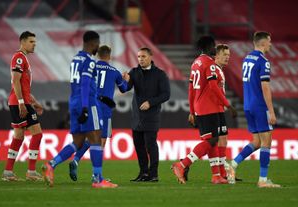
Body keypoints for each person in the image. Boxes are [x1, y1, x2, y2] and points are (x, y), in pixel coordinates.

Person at [42, 31, 117, 188]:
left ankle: (51, 164)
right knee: (96, 138)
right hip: (87, 103)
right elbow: (84, 84)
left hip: (74, 101)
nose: (97, 47)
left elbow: (80, 83)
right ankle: (98, 179)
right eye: (97, 44)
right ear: (92, 43)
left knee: (77, 141)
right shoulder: (89, 61)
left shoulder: (75, 59)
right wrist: (85, 107)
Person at [171, 36, 237, 184]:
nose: (215, 48)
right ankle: (182, 164)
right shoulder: (209, 63)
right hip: (209, 107)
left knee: (212, 140)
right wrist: (228, 105)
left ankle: (216, 176)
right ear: (208, 46)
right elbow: (213, 86)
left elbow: (191, 90)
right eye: (213, 45)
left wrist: (192, 111)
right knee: (212, 140)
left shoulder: (196, 63)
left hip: (204, 106)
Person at [228, 32, 281, 188]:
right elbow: (265, 87)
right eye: (269, 42)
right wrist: (271, 111)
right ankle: (263, 180)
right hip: (259, 105)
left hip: (248, 105)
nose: (271, 44)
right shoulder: (263, 61)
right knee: (266, 142)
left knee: (257, 141)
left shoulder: (247, 58)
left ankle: (233, 164)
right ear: (263, 43)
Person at [68, 45, 128, 181]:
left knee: (90, 138)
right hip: (104, 109)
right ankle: (96, 175)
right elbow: (124, 88)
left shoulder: (91, 66)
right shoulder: (114, 71)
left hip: (90, 106)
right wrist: (126, 79)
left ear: (98, 55)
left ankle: (76, 159)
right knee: (100, 142)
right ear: (110, 56)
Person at [122, 47, 170, 182]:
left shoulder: (160, 74)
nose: (140, 59)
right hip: (137, 116)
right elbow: (126, 88)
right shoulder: (134, 72)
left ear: (150, 57)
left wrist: (150, 102)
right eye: (138, 57)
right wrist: (125, 80)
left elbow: (166, 94)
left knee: (150, 145)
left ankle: (153, 174)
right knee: (139, 146)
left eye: (143, 56)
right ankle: (143, 173)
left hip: (152, 116)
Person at [2, 31, 43, 181]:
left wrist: (35, 102)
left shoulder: (23, 58)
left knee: (19, 136)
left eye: (35, 42)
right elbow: (15, 81)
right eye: (31, 41)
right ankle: (31, 172)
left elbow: (23, 86)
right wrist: (21, 103)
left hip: (20, 101)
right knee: (37, 134)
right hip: (19, 102)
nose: (34, 44)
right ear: (23, 42)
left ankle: (8, 172)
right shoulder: (19, 57)